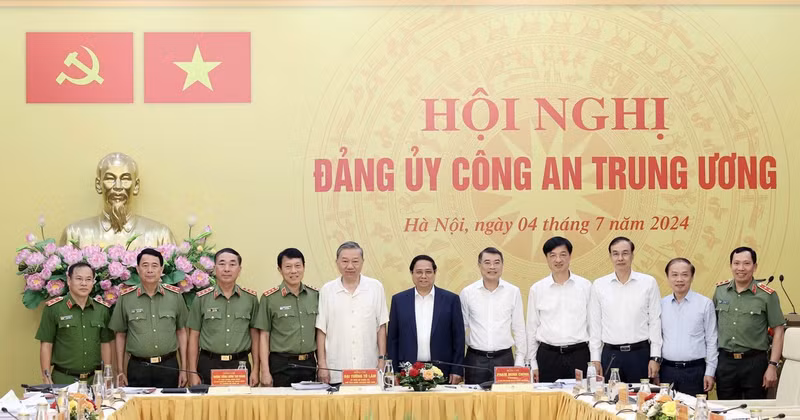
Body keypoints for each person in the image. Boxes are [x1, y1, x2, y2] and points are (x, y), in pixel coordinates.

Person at [109, 248, 189, 387]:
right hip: (138, 367)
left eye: (154, 265)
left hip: (169, 366)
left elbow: (181, 331)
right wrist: (120, 370)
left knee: (168, 408)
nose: (150, 270)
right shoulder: (126, 298)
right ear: (138, 269)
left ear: (161, 269)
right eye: (145, 265)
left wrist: (184, 369)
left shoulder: (175, 296)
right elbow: (120, 334)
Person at [714, 247, 785, 399]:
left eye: (746, 263)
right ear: (730, 265)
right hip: (725, 363)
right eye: (736, 263)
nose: (741, 268)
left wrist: (773, 365)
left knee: (755, 410)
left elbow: (778, 331)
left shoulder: (767, 295)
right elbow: (712, 327)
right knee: (726, 410)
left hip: (755, 363)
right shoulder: (720, 290)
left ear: (755, 266)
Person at [60, 152, 175, 248]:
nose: (118, 186)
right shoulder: (75, 235)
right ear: (98, 185)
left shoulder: (160, 236)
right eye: (110, 179)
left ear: (136, 186)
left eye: (125, 179)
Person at [589, 237, 661, 384]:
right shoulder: (599, 285)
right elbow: (595, 324)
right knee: (609, 401)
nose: (620, 258)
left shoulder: (648, 282)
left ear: (632, 255)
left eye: (625, 253)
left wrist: (655, 356)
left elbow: (655, 321)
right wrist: (595, 358)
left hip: (640, 354)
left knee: (641, 401)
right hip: (611, 355)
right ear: (610, 257)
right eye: (615, 254)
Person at [315, 241, 389, 384]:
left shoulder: (375, 287)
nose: (350, 266)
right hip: (336, 368)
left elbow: (381, 327)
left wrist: (381, 359)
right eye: (344, 261)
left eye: (355, 261)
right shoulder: (327, 290)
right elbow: (321, 330)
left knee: (369, 407)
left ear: (362, 262)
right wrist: (322, 365)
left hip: (369, 368)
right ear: (336, 262)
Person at [187, 248, 260, 387]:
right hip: (208, 364)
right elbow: (194, 336)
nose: (227, 269)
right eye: (222, 263)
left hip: (240, 365)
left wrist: (256, 370)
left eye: (232, 264)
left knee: (239, 408)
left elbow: (255, 336)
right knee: (209, 408)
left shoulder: (250, 299)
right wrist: (192, 371)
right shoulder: (201, 298)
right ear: (214, 268)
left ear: (239, 269)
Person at [388, 255, 465, 383]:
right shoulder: (399, 300)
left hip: (442, 370)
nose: (423, 276)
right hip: (407, 370)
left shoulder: (451, 300)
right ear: (412, 273)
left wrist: (457, 369)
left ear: (435, 273)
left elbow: (458, 338)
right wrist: (394, 371)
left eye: (428, 272)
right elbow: (393, 339)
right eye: (419, 272)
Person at [36, 262, 114, 384]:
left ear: (93, 282)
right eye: (79, 279)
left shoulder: (102, 309)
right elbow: (46, 344)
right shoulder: (54, 308)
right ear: (69, 280)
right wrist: (46, 377)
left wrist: (107, 375)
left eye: (88, 279)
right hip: (64, 379)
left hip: (94, 380)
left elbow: (105, 344)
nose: (84, 283)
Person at [527, 237, 591, 383]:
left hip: (579, 354)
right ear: (547, 258)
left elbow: (593, 325)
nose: (558, 260)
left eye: (563, 254)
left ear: (570, 256)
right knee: (548, 402)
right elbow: (531, 328)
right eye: (552, 255)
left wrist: (594, 358)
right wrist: (533, 363)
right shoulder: (537, 289)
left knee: (580, 399)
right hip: (548, 355)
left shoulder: (585, 286)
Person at [459, 247, 526, 384]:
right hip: (475, 359)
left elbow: (519, 328)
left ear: (502, 265)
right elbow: (461, 329)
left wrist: (519, 361)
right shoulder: (467, 293)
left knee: (505, 403)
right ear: (479, 265)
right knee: (475, 402)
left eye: (497, 262)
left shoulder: (513, 292)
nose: (492, 267)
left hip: (504, 359)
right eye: (487, 262)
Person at [255, 248, 319, 387]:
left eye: (297, 266)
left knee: (308, 407)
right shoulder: (270, 298)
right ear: (280, 269)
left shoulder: (315, 296)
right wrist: (264, 371)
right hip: (281, 364)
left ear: (304, 267)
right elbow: (264, 337)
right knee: (281, 407)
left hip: (309, 363)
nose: (293, 271)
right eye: (288, 267)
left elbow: (319, 333)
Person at [660, 258, 718, 396]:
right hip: (667, 371)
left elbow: (712, 340)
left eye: (684, 275)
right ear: (668, 277)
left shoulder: (705, 304)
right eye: (674, 275)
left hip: (695, 371)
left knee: (694, 414)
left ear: (692, 277)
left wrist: (710, 372)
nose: (679, 279)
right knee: (664, 412)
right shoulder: (661, 304)